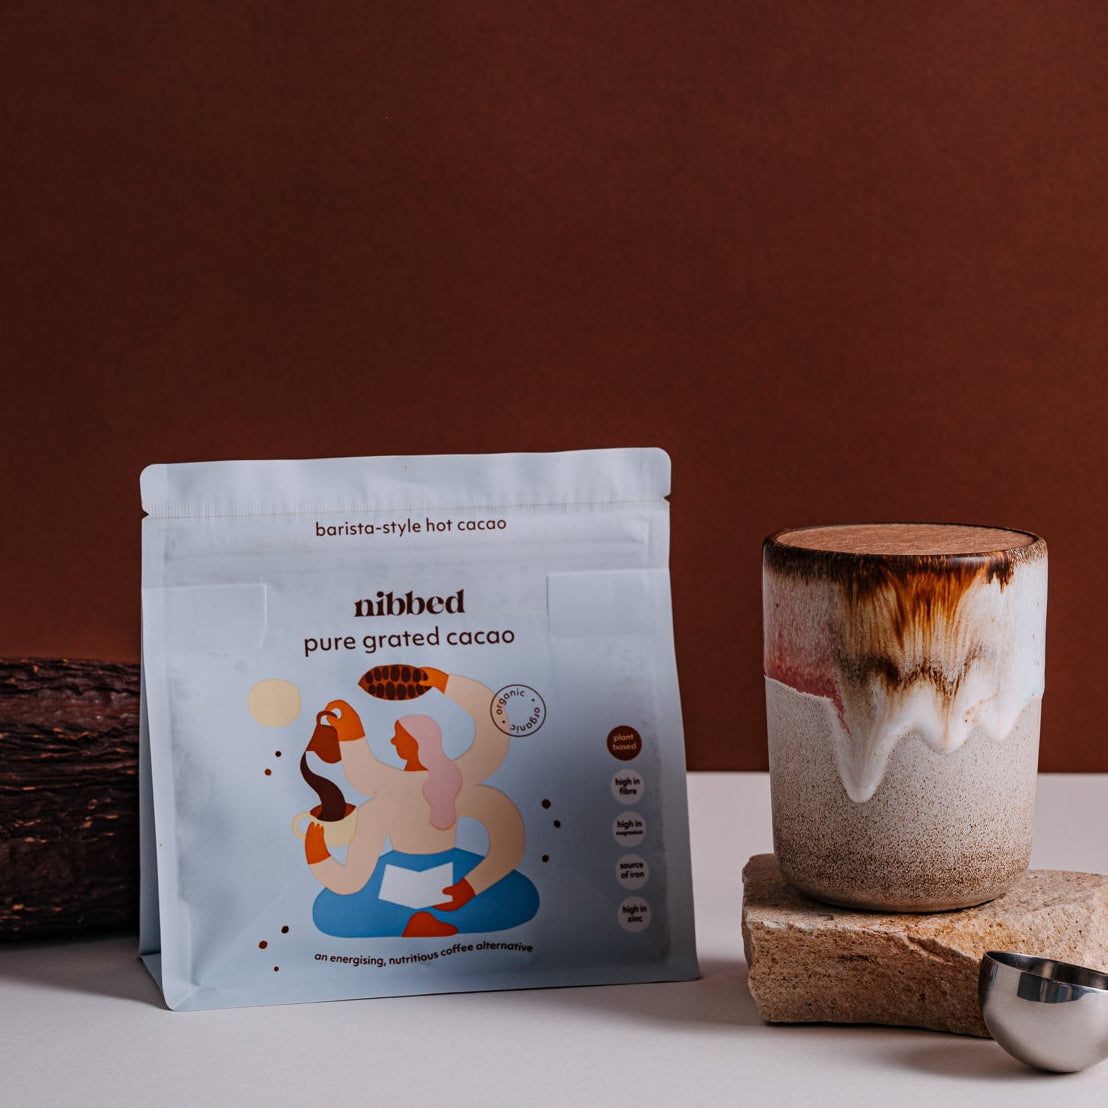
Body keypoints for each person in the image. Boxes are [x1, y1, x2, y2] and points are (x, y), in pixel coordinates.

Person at [301, 667, 539, 938]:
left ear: (417, 742)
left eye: (397, 736)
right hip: (395, 873)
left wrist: (468, 888)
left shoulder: (457, 787)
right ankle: (419, 921)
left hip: (453, 874)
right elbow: (353, 878)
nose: (392, 741)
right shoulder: (381, 804)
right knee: (326, 910)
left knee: (523, 897)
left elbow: (506, 848)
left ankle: (410, 920)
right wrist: (317, 855)